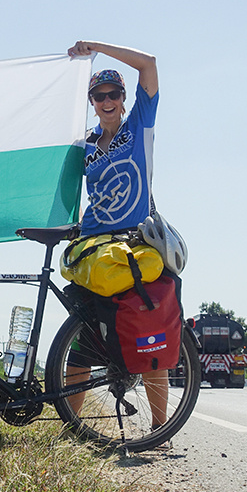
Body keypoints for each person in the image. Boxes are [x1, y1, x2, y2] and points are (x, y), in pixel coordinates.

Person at [64, 40, 169, 430]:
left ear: (124, 99)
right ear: (91, 101)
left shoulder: (139, 124)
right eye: (98, 96)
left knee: (149, 337)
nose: (106, 101)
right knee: (83, 340)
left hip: (134, 242)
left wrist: (96, 47)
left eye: (113, 94)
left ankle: (161, 428)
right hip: (94, 245)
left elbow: (150, 64)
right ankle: (72, 427)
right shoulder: (84, 144)